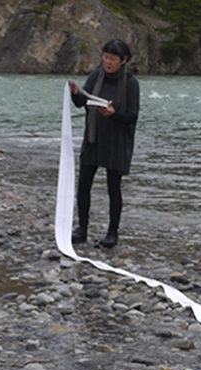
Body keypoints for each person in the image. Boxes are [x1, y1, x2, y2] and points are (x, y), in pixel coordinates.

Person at [68, 38, 140, 248]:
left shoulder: (130, 83)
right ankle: (82, 229)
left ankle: (112, 233)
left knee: (113, 189)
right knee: (83, 186)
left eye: (113, 58)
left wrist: (113, 114)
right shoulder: (95, 76)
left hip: (116, 142)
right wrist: (75, 94)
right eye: (105, 57)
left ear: (123, 60)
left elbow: (132, 117)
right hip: (93, 138)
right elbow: (83, 103)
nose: (108, 62)